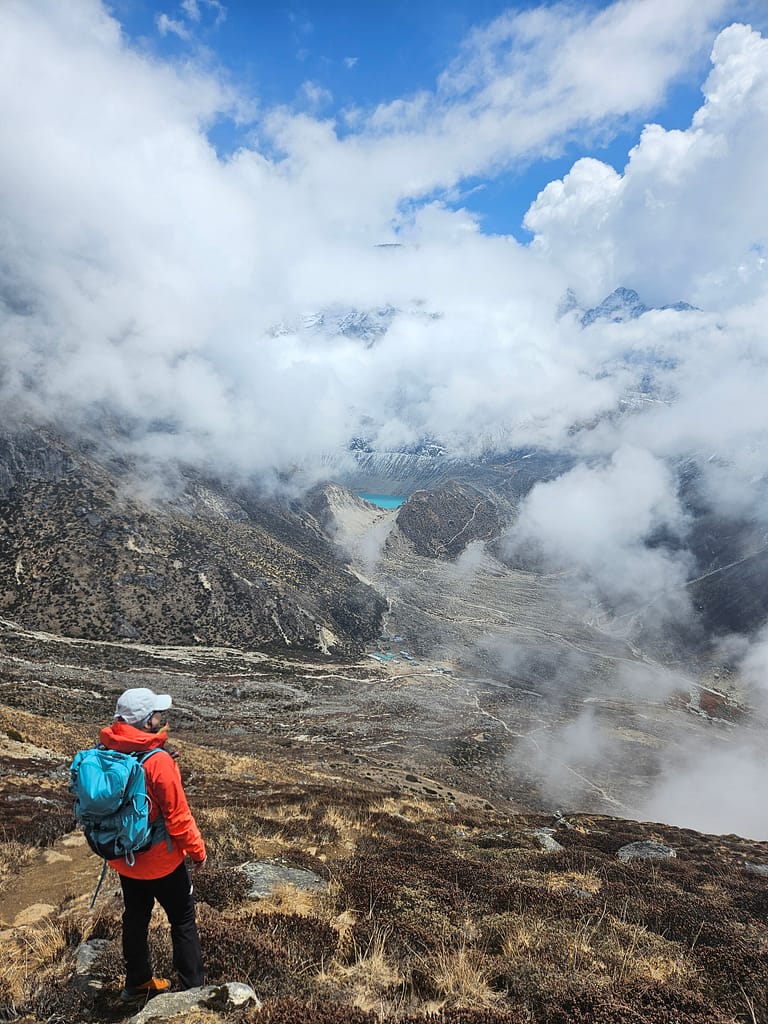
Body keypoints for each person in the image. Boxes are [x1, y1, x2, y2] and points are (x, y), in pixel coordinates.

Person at [99, 686, 207, 1003]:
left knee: (135, 917)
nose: (163, 717)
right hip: (162, 860)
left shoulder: (107, 749)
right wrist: (197, 851)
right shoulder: (158, 761)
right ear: (147, 723)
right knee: (183, 919)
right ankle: (193, 992)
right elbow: (178, 817)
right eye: (158, 714)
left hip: (125, 858)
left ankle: (137, 984)